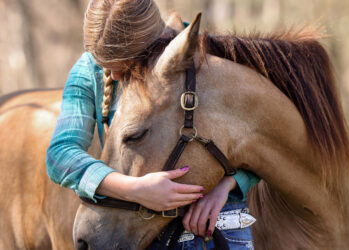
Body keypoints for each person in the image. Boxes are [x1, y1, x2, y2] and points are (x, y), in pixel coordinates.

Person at [46, 0, 259, 248]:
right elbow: (60, 155)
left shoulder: (206, 55)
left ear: (153, 44)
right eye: (104, 65)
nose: (113, 75)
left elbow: (264, 135)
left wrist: (228, 184)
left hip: (211, 221)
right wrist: (134, 189)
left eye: (122, 64)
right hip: (134, 220)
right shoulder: (87, 71)